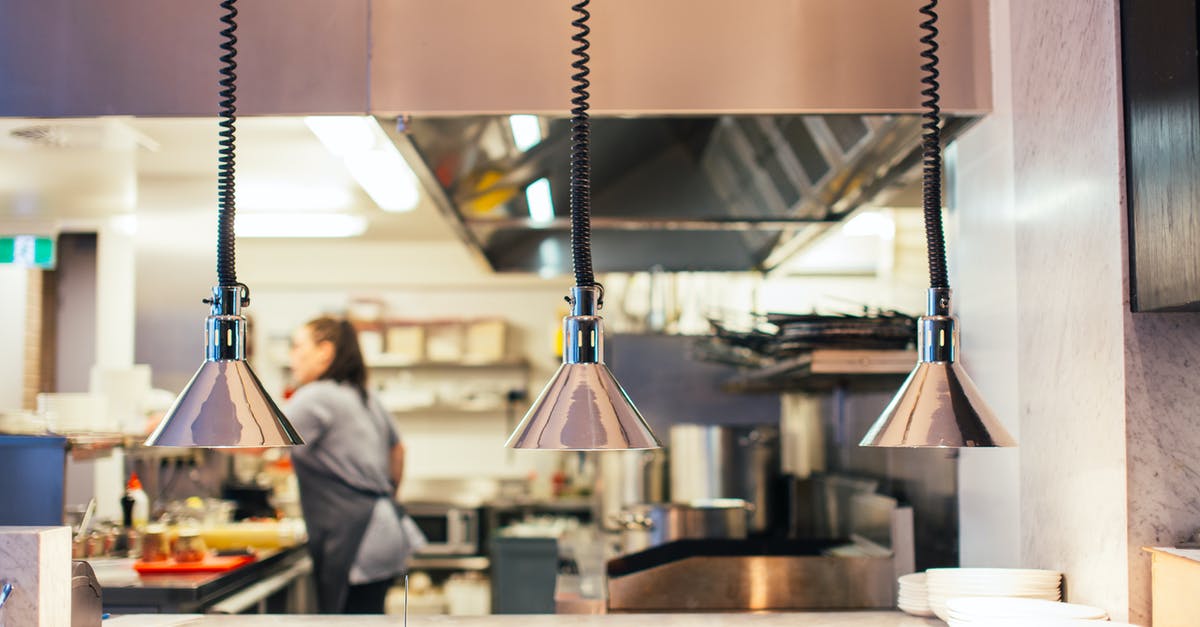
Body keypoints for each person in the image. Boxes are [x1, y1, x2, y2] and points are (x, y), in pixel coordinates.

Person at [285, 316, 424, 613]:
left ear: (325, 351)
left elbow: (257, 443)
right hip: (384, 527)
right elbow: (398, 450)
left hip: (355, 536)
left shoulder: (313, 396)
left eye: (297, 346)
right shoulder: (365, 395)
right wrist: (388, 492)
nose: (291, 356)